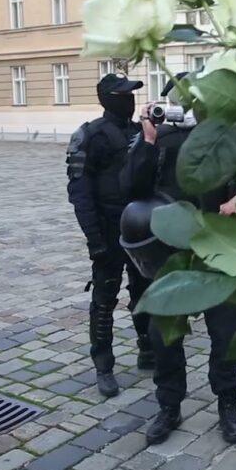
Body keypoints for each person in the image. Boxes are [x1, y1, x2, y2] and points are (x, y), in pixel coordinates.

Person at [119, 74, 236, 447]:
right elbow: (132, 188)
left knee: (226, 337)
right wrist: (147, 139)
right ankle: (169, 407)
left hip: (219, 250)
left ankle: (228, 405)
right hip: (171, 254)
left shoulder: (228, 139)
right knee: (164, 337)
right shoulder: (160, 138)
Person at [66, 73, 155, 398]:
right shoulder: (90, 135)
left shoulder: (138, 132)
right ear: (107, 98)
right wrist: (95, 240)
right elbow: (80, 192)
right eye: (123, 95)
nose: (129, 101)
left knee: (143, 293)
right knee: (104, 299)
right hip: (107, 229)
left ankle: (148, 349)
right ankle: (103, 364)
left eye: (131, 95)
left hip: (138, 229)